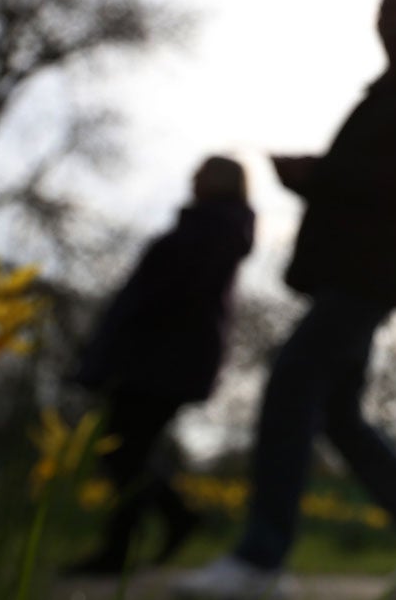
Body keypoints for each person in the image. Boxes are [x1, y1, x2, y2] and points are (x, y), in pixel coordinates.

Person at [173, 0, 396, 600]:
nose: (392, 20)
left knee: (291, 381)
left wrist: (319, 172)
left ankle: (261, 561)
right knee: (337, 412)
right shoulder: (380, 95)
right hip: (349, 270)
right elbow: (365, 181)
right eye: (386, 9)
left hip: (374, 271)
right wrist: (312, 179)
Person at [65, 155, 255, 576]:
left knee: (124, 450)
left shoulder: (213, 228)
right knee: (129, 449)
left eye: (202, 172)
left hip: (158, 357)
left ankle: (122, 549)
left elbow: (171, 295)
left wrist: (121, 342)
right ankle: (168, 521)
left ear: (221, 181)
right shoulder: (211, 226)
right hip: (159, 355)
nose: (192, 178)